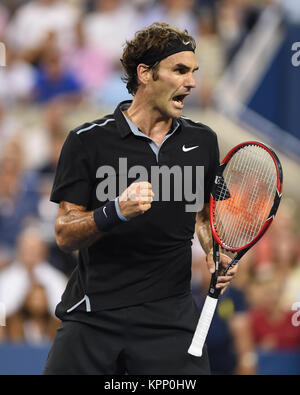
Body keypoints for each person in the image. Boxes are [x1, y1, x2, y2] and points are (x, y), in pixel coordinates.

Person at [43, 22, 238, 375]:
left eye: (193, 72)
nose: (191, 82)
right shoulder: (86, 141)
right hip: (94, 315)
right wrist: (115, 210)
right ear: (144, 74)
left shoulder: (204, 142)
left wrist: (213, 250)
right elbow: (64, 233)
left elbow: (204, 215)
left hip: (171, 319)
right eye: (179, 70)